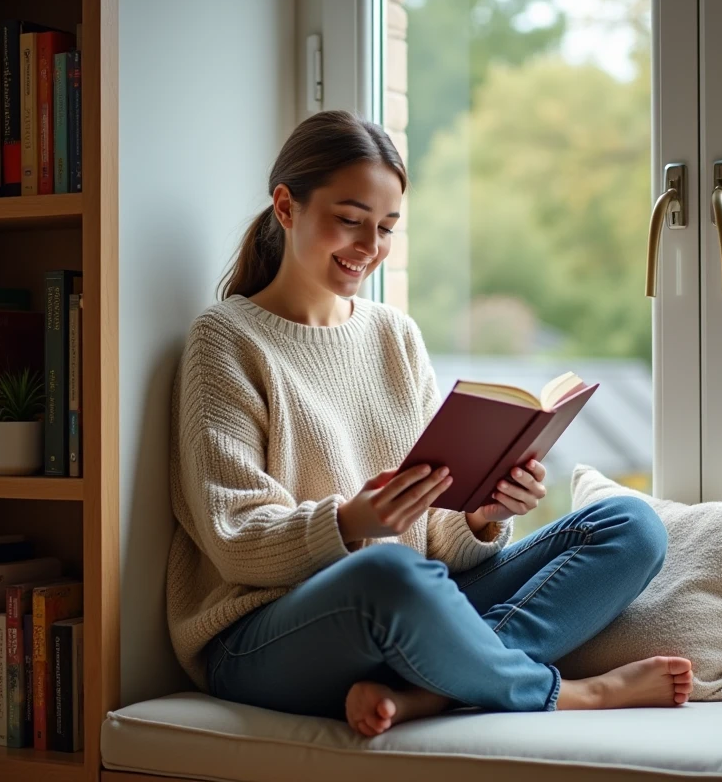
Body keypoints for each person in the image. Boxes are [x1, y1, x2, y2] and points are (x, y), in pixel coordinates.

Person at [167, 110, 691, 737]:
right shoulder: (225, 338)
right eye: (350, 220)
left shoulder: (395, 335)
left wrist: (482, 515)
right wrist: (351, 522)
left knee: (630, 525)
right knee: (388, 571)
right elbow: (234, 537)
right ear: (285, 206)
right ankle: (572, 694)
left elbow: (439, 539)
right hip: (267, 637)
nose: (369, 247)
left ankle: (429, 693)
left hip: (409, 607)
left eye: (386, 228)